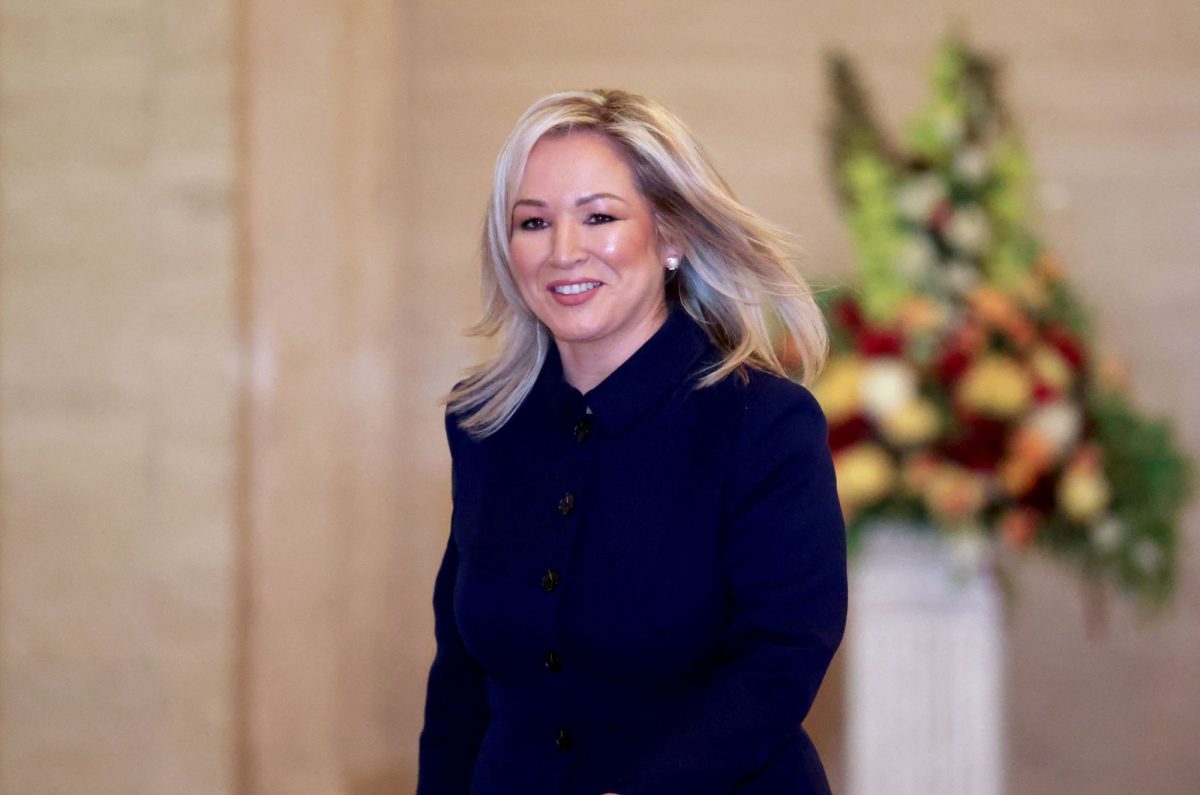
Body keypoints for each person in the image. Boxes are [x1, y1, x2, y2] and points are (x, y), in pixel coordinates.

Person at [418, 88, 847, 795]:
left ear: (671, 235)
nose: (563, 252)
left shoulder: (763, 422)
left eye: (600, 216)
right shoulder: (483, 423)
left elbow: (779, 660)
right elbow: (461, 681)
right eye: (533, 221)